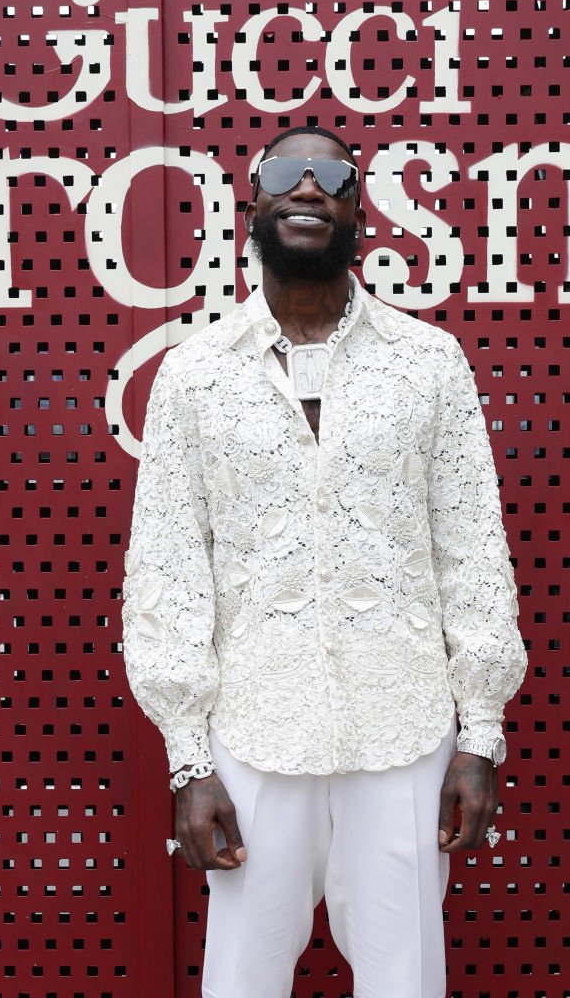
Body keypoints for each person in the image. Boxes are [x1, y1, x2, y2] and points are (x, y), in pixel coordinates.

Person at [122, 126, 527, 998]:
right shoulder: (194, 377)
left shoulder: (428, 365)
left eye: (331, 177)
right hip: (253, 733)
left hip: (405, 728)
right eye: (282, 174)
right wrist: (189, 763)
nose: (306, 188)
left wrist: (479, 736)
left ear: (357, 212)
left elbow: (471, 550)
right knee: (241, 980)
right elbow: (166, 572)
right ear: (253, 207)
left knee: (406, 979)